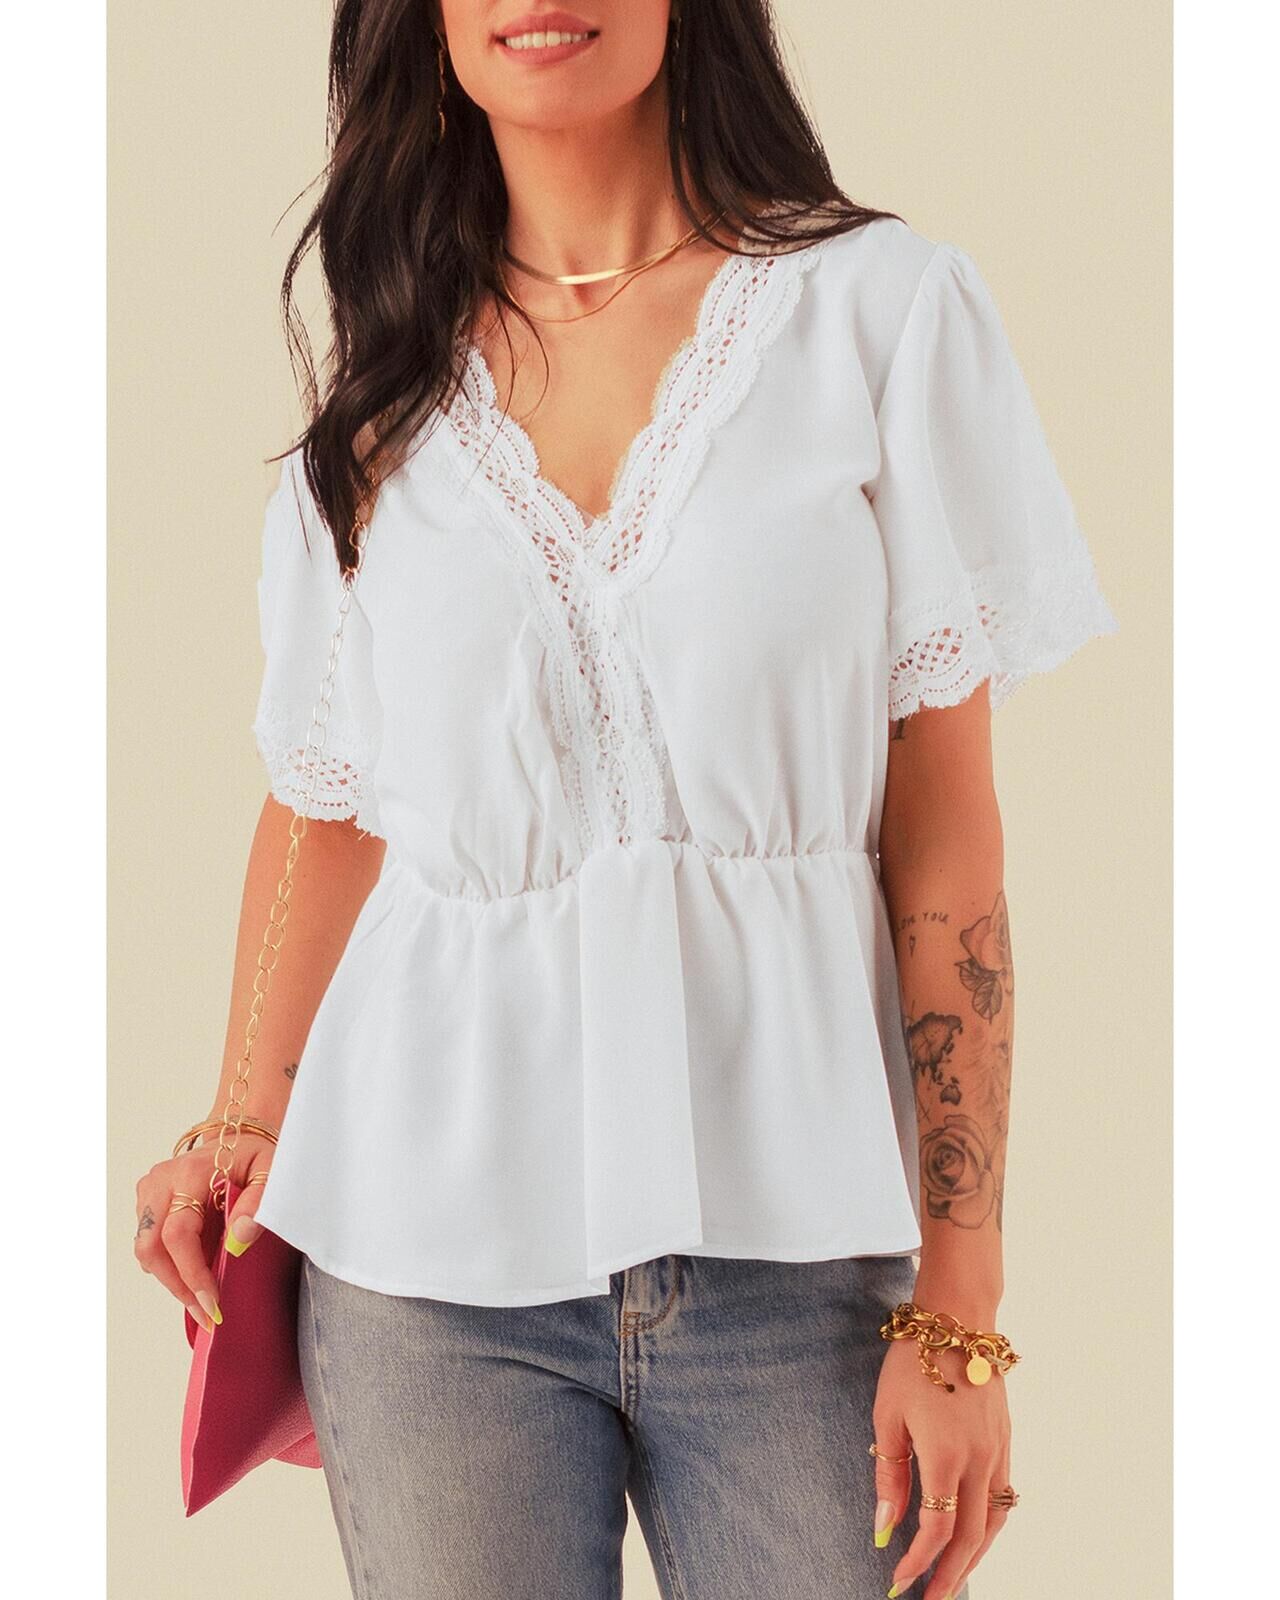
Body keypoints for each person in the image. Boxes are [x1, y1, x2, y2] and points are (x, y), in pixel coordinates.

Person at [133, 3, 1118, 1596]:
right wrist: (241, 1115)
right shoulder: (385, 386)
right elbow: (328, 799)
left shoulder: (879, 314)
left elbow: (945, 845)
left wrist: (962, 1310)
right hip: (421, 1274)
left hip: (802, 1264)